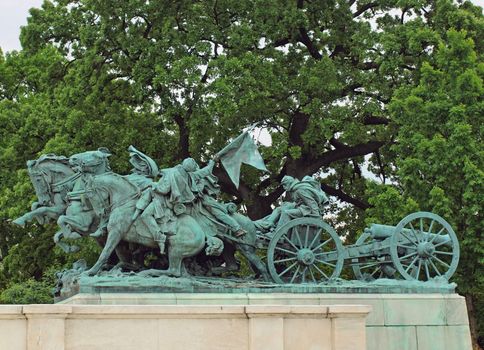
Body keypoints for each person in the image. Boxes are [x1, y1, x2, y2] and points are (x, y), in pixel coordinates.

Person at [255, 175, 329, 233]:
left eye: (284, 185)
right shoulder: (295, 190)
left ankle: (278, 233)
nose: (284, 187)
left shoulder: (300, 190)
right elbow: (299, 202)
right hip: (300, 208)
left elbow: (311, 202)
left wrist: (316, 217)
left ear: (289, 183)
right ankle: (268, 224)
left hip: (306, 211)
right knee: (279, 209)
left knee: (286, 213)